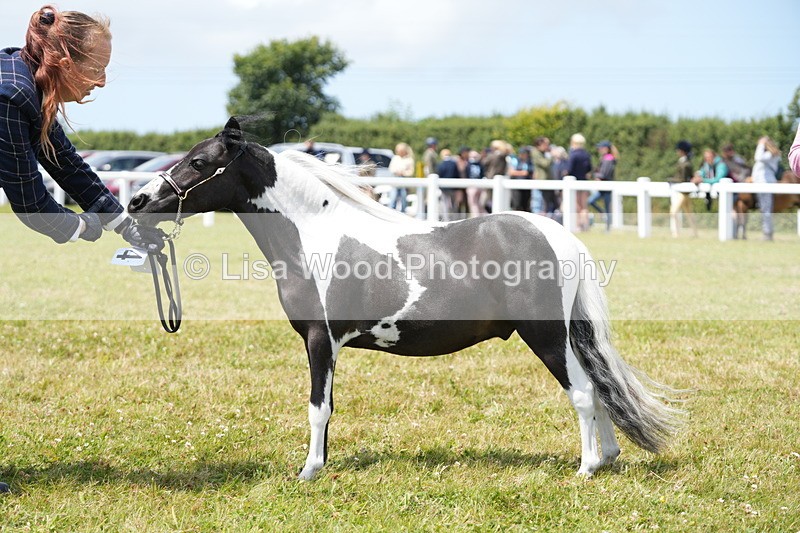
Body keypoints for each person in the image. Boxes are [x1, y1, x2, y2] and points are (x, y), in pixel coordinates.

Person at [0, 5, 163, 495]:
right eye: (97, 69)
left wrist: (123, 224)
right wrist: (84, 230)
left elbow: (65, 163)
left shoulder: (27, 83)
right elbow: (32, 205)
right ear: (64, 60)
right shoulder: (11, 93)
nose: (103, 81)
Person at [751, 136, 781, 241]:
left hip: (765, 183)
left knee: (766, 210)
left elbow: (757, 157)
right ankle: (767, 232)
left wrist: (760, 144)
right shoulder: (769, 155)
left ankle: (767, 233)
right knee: (764, 209)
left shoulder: (769, 155)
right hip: (761, 184)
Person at [669, 140, 698, 238]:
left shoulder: (686, 164)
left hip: (683, 192)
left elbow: (682, 178)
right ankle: (694, 233)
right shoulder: (683, 162)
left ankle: (676, 233)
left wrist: (671, 180)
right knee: (689, 213)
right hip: (682, 191)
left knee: (674, 211)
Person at [587, 140, 617, 231]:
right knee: (590, 201)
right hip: (602, 187)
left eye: (601, 147)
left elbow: (605, 173)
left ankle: (608, 228)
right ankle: (603, 214)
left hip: (606, 186)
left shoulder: (609, 159)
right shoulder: (605, 158)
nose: (599, 149)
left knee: (607, 207)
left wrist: (597, 176)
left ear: (606, 149)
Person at [567, 133, 592, 231]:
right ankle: (585, 226)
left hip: (575, 182)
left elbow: (569, 169)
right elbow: (589, 168)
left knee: (577, 205)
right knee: (584, 206)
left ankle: (578, 225)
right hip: (584, 182)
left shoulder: (573, 155)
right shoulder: (586, 154)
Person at [387, 142, 414, 212]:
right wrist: (397, 171)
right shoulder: (395, 158)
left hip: (404, 181)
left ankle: (403, 212)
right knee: (393, 198)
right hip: (395, 180)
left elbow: (411, 172)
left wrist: (403, 173)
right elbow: (391, 169)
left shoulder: (409, 159)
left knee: (403, 198)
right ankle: (391, 212)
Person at [531, 136, 552, 216]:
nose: (547, 146)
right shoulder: (536, 152)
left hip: (546, 180)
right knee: (537, 202)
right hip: (539, 180)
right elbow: (545, 164)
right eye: (546, 144)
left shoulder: (544, 153)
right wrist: (550, 155)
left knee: (546, 202)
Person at [508, 146, 532, 212]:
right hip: (517, 185)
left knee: (526, 204)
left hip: (527, 185)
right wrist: (522, 173)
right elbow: (511, 172)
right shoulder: (515, 160)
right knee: (517, 203)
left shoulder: (529, 162)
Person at [465, 149, 485, 217]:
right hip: (479, 185)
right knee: (478, 204)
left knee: (473, 203)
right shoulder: (480, 164)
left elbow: (466, 174)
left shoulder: (468, 164)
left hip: (472, 186)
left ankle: (476, 217)